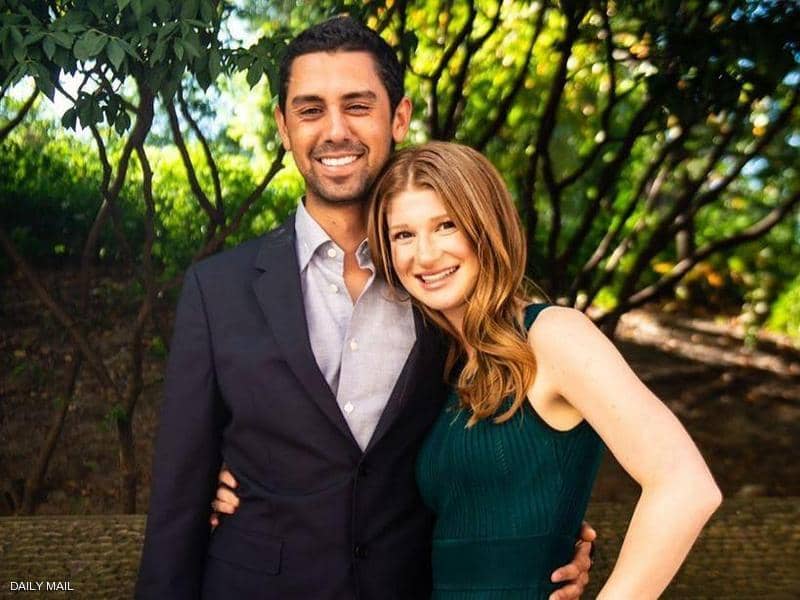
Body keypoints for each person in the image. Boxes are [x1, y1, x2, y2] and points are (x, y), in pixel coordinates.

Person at [136, 16, 593, 600]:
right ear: (282, 126)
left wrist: (554, 538)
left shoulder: (448, 285)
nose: (335, 131)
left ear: (398, 117)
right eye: (310, 110)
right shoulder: (215, 289)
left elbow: (514, 440)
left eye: (357, 106)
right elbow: (178, 496)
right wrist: (210, 485)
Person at [213, 142, 722, 598]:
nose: (426, 254)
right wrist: (231, 478)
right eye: (403, 235)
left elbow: (685, 486)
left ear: (486, 226)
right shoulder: (444, 363)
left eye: (446, 225)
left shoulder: (554, 334)